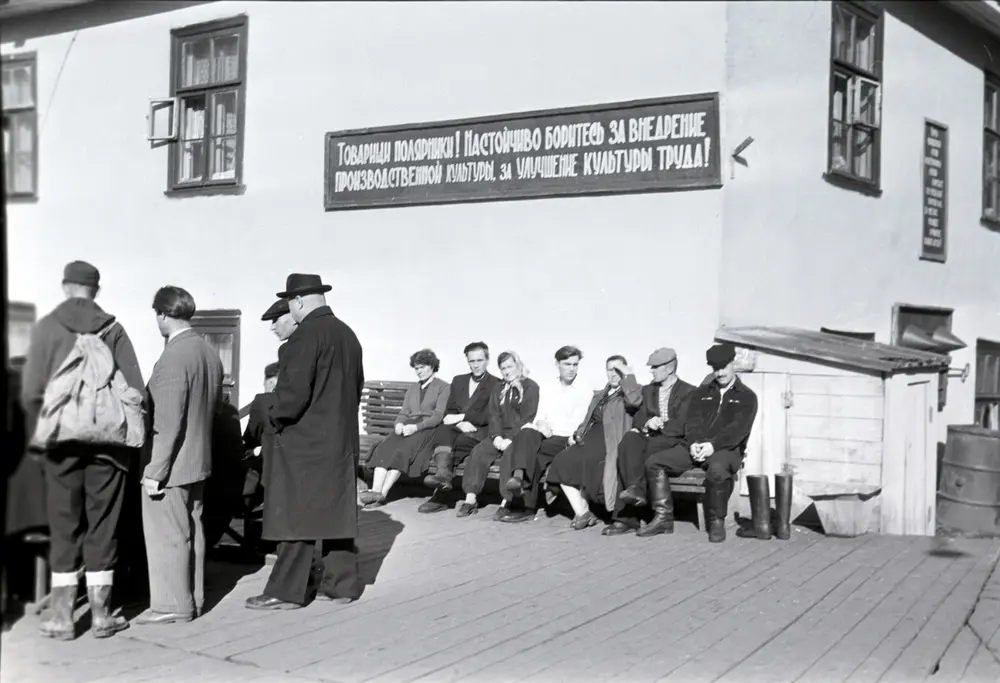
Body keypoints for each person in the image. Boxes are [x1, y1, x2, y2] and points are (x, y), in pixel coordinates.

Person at [21, 261, 145, 640]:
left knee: (63, 525)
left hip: (61, 445)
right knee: (103, 525)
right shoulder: (114, 328)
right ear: (97, 290)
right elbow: (136, 391)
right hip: (109, 447)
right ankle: (102, 614)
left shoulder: (47, 328)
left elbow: (30, 393)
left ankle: (62, 616)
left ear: (65, 287)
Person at [246, 273, 364, 610]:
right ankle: (341, 586)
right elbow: (355, 387)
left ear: (297, 301)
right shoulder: (348, 335)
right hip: (341, 441)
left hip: (304, 444)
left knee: (295, 517)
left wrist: (271, 416)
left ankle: (286, 592)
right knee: (336, 514)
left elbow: (291, 398)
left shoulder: (304, 337)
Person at [136, 286, 223, 625]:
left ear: (162, 314)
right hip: (198, 461)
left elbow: (168, 422)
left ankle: (172, 604)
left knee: (168, 535)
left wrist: (154, 471)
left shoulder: (173, 357)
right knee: (193, 529)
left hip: (171, 465)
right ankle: (194, 598)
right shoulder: (208, 352)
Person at [641, 342, 758, 542]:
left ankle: (716, 521)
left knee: (717, 469)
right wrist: (694, 443)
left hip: (726, 450)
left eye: (724, 367)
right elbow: (692, 422)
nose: (720, 373)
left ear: (733, 364)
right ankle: (663, 518)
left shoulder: (747, 397)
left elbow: (737, 430)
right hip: (695, 447)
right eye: (715, 368)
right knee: (654, 462)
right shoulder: (702, 393)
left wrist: (713, 446)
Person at [498, 345, 593, 523]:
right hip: (550, 436)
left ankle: (525, 504)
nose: (571, 369)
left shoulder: (584, 389)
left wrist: (575, 436)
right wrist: (541, 423)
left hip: (570, 439)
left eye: (575, 364)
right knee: (526, 433)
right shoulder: (549, 387)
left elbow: (586, 421)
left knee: (534, 458)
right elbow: (540, 416)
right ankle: (518, 479)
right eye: (567, 364)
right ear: (557, 364)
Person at [546, 356, 642, 530]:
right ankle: (583, 512)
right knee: (561, 460)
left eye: (618, 370)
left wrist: (628, 376)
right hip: (589, 438)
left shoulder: (630, 392)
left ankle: (587, 513)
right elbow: (588, 419)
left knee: (588, 461)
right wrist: (577, 434)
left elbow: (634, 401)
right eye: (610, 370)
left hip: (611, 440)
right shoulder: (600, 395)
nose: (613, 374)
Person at [608, 347, 696, 536]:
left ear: (670, 368)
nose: (651, 370)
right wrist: (648, 422)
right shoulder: (649, 390)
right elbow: (639, 419)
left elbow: (681, 425)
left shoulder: (689, 392)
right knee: (628, 441)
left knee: (646, 450)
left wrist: (660, 425)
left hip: (675, 442)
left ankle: (628, 515)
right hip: (652, 439)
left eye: (655, 367)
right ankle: (635, 492)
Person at [361, 349, 450, 507]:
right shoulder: (413, 388)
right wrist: (399, 424)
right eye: (416, 368)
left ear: (432, 367)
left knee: (401, 451)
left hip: (427, 429)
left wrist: (416, 427)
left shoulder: (443, 387)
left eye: (422, 367)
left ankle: (382, 494)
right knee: (385, 447)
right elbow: (404, 412)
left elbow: (438, 416)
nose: (418, 371)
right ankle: (375, 491)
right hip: (408, 426)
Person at [419, 342, 499, 514]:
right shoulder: (459, 380)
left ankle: (441, 495)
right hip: (458, 428)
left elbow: (491, 415)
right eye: (472, 361)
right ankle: (443, 476)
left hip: (479, 431)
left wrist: (463, 417)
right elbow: (450, 411)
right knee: (442, 430)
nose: (476, 365)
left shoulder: (496, 384)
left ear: (487, 360)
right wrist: (460, 423)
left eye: (479, 360)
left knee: (456, 444)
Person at [456, 351, 539, 518]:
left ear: (518, 365)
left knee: (509, 455)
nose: (506, 371)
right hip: (499, 434)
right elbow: (493, 415)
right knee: (479, 452)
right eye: (503, 368)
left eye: (510, 367)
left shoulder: (530, 387)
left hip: (520, 435)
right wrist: (496, 436)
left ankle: (507, 501)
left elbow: (528, 416)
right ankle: (470, 499)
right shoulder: (499, 387)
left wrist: (510, 438)